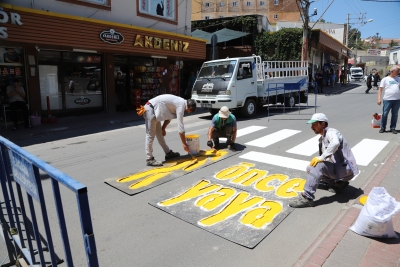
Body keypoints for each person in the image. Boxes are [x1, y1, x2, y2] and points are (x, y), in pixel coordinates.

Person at [289, 113, 359, 208]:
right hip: (340, 169)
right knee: (310, 168)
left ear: (323, 124)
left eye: (314, 124)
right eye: (311, 124)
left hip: (345, 169)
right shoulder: (322, 139)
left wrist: (321, 158)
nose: (312, 127)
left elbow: (335, 143)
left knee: (317, 166)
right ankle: (337, 183)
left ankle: (307, 197)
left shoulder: (331, 132)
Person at [137, 94, 197, 166]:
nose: (188, 112)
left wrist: (163, 128)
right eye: (189, 111)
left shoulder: (181, 103)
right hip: (151, 109)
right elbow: (181, 128)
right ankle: (149, 159)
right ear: (189, 107)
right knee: (150, 135)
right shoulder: (181, 107)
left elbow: (169, 117)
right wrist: (184, 143)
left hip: (155, 111)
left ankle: (168, 153)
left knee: (160, 135)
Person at [377, 66, 400, 134]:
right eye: (397, 71)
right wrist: (379, 99)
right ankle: (383, 127)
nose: (399, 72)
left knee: (395, 114)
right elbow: (380, 90)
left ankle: (392, 128)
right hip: (387, 99)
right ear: (392, 71)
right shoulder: (385, 79)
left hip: (397, 99)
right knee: (385, 114)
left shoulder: (398, 79)